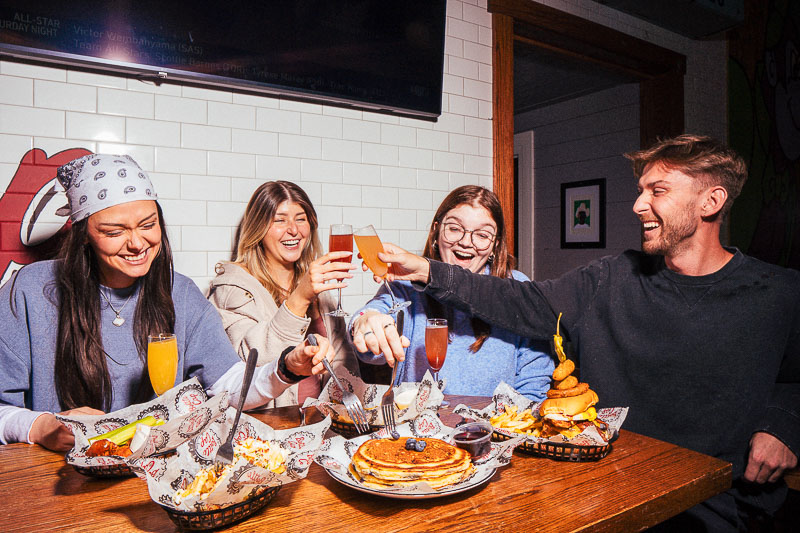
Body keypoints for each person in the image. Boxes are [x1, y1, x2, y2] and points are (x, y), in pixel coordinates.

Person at [372, 135, 800, 531]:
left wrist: (784, 424)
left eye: (658, 191)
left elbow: (794, 375)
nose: (638, 204)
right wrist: (429, 270)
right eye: (641, 190)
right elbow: (522, 301)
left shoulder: (780, 292)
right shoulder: (610, 278)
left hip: (720, 505)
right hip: (606, 493)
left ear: (711, 201)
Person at [0, 155, 336, 452]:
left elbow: (230, 387)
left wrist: (286, 367)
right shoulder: (29, 291)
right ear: (82, 233)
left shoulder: (181, 294)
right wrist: (40, 427)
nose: (137, 243)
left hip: (157, 478)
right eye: (115, 231)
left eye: (148, 225)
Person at [348, 185, 553, 400]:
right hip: (418, 430)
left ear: (495, 244)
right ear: (436, 230)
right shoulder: (407, 282)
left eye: (482, 235)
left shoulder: (517, 286)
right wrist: (366, 321)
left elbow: (534, 383)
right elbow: (372, 337)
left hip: (496, 430)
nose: (465, 242)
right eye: (454, 229)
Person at [208, 181, 360, 407]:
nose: (294, 230)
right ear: (258, 228)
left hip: (320, 424)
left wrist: (346, 416)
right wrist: (299, 298)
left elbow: (341, 361)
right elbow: (247, 365)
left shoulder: (319, 288)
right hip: (267, 430)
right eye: (280, 220)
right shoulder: (232, 288)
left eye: (301, 219)